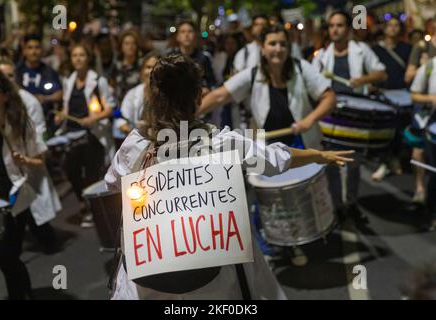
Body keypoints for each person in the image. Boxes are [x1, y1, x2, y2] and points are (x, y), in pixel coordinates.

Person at [105, 54, 353, 300]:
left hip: (147, 277)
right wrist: (318, 155)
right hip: (218, 278)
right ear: (198, 98)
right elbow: (276, 159)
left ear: (154, 98)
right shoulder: (222, 144)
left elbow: (113, 183)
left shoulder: (136, 147)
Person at [200, 25, 336, 150]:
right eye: (272, 44)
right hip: (268, 151)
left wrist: (309, 120)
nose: (278, 49)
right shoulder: (253, 74)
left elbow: (329, 98)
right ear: (263, 49)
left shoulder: (302, 68)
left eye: (283, 44)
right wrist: (191, 115)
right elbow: (219, 96)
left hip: (304, 147)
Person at [312, 10, 387, 222]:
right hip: (330, 115)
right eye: (332, 26)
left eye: (340, 25)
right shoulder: (322, 55)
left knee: (353, 163)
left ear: (348, 29)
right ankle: (336, 206)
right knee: (331, 162)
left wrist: (362, 79)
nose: (335, 30)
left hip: (354, 117)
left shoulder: (361, 50)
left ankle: (352, 203)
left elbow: (381, 72)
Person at [0, 68, 47, 299]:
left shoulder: (20, 124)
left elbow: (40, 161)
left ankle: (21, 294)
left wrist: (24, 160)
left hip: (13, 198)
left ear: (4, 96)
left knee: (7, 257)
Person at [0, 56, 61, 253]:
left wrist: (28, 155)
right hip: (9, 167)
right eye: (2, 77)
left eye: (10, 75)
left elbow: (37, 133)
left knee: (32, 207)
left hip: (28, 162)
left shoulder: (28, 101)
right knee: (21, 209)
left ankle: (47, 242)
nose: (8, 80)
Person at [55, 44, 115, 228]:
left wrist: (92, 118)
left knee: (91, 173)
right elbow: (67, 105)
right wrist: (61, 116)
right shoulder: (69, 80)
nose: (78, 59)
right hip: (72, 132)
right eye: (74, 55)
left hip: (92, 135)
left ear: (88, 58)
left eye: (82, 55)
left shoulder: (98, 81)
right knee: (70, 168)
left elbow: (109, 109)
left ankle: (92, 210)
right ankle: (85, 200)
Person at [371, 16, 412, 181]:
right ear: (385, 28)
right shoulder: (376, 50)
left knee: (400, 130)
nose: (393, 29)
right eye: (390, 25)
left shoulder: (407, 49)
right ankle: (385, 162)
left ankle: (396, 160)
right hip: (383, 96)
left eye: (397, 25)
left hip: (403, 95)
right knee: (385, 131)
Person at [15, 34, 63, 137]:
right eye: (30, 48)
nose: (34, 51)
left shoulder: (49, 71)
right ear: (24, 51)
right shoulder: (17, 71)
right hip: (20, 121)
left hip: (44, 121)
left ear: (42, 50)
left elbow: (59, 94)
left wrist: (46, 98)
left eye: (37, 48)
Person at [410, 55, 436, 231]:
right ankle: (433, 212)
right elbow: (414, 95)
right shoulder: (430, 66)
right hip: (432, 127)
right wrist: (432, 99)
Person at [116, 52, 160, 135]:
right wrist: (130, 132)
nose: (151, 71)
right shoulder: (132, 94)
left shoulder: (168, 94)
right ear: (142, 71)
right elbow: (122, 119)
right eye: (148, 67)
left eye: (155, 67)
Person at [167, 21, 217, 91]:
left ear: (195, 35)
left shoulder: (204, 58)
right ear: (177, 37)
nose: (186, 35)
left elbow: (212, 83)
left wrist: (207, 89)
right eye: (183, 32)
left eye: (190, 31)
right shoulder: (170, 57)